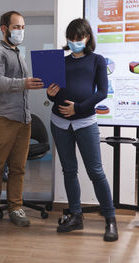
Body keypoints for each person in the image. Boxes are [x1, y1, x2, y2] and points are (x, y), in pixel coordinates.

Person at [47, 18, 118, 242]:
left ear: (87, 38)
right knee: (69, 170)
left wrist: (77, 108)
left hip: (85, 122)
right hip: (59, 122)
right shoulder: (60, 62)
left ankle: (110, 219)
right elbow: (52, 94)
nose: (75, 41)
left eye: (79, 38)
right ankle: (76, 215)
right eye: (71, 38)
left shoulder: (97, 60)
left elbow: (102, 93)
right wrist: (50, 93)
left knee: (96, 171)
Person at [0, 11, 44, 227]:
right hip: (0, 118)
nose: (21, 31)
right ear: (4, 28)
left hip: (22, 119)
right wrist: (24, 83)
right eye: (17, 27)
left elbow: (22, 85)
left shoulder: (20, 55)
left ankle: (16, 207)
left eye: (23, 27)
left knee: (18, 167)